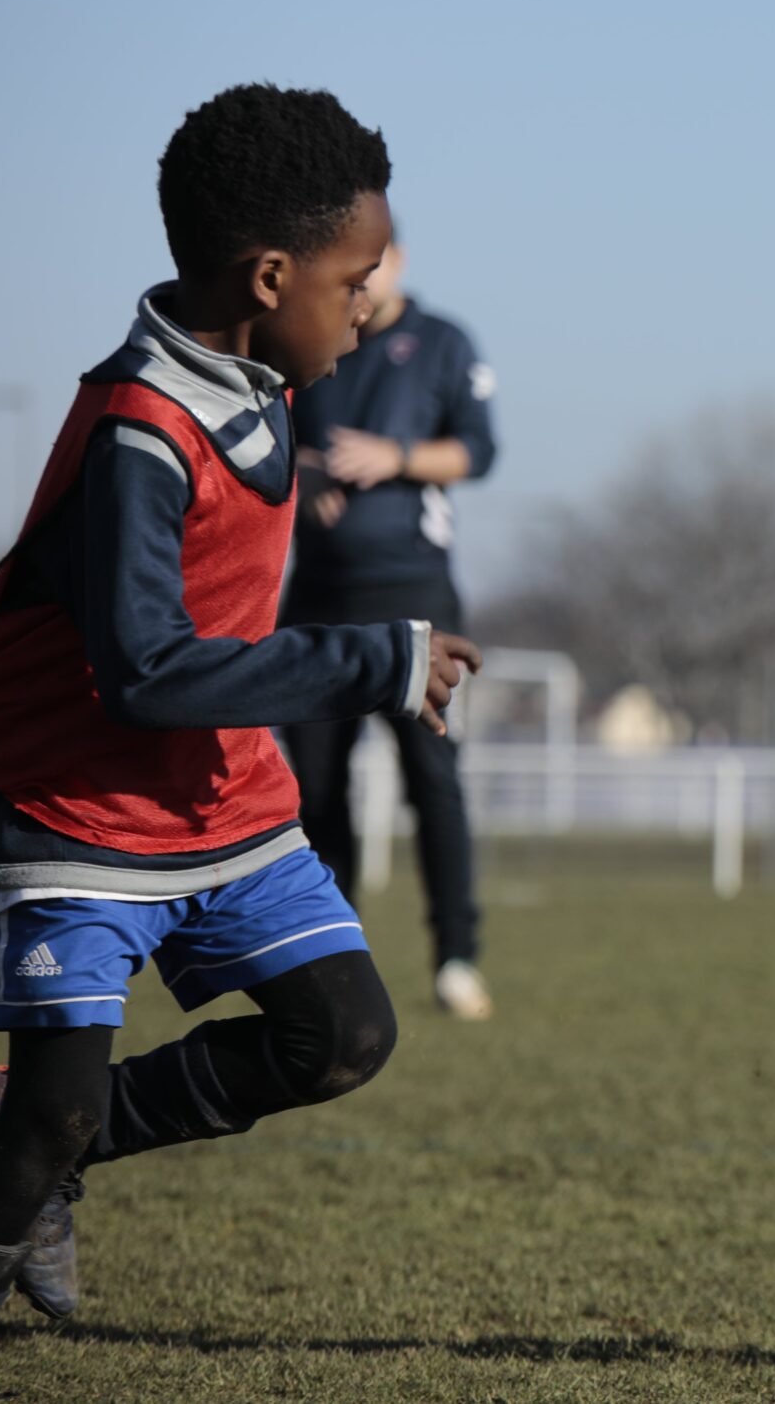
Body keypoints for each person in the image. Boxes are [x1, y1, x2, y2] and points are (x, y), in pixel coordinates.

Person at [0, 84, 478, 1320]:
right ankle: (34, 1153)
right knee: (44, 1108)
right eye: (355, 279)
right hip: (76, 809)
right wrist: (372, 656)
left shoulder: (263, 380)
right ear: (270, 278)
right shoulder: (138, 430)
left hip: (221, 798)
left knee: (345, 1036)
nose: (372, 305)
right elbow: (146, 671)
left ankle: (60, 1154)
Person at [282, 231, 498, 1021]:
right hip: (317, 601)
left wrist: (396, 455)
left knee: (433, 783)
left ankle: (457, 958)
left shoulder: (442, 343)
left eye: (372, 268)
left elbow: (480, 450)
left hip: (416, 600)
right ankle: (333, 958)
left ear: (397, 260)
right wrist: (301, 477)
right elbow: (266, 446)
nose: (361, 286)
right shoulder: (308, 346)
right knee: (314, 791)